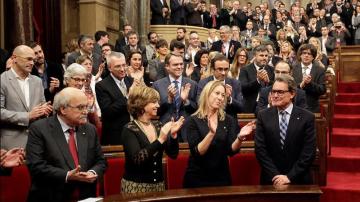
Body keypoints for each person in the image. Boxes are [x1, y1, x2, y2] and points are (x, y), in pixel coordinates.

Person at [26, 87, 107, 202]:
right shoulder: (39, 129)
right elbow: (36, 166)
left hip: (85, 196)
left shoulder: (90, 129)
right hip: (51, 195)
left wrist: (92, 172)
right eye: (80, 107)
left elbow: (101, 161)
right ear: (63, 109)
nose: (85, 111)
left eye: (86, 107)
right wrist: (68, 175)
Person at [183, 80, 255, 188]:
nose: (220, 98)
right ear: (207, 94)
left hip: (221, 177)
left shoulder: (228, 120)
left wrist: (239, 138)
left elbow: (231, 151)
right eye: (217, 93)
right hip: (197, 178)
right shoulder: (193, 120)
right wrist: (211, 133)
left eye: (223, 95)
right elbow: (198, 152)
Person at [121, 86, 184, 193]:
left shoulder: (158, 125)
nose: (158, 105)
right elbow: (137, 159)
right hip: (135, 188)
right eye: (154, 102)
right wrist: (160, 140)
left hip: (158, 186)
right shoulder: (129, 129)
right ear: (141, 104)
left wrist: (173, 136)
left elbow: (173, 155)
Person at [255, 74, 316, 185]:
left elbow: (308, 152)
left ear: (292, 94)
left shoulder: (307, 117)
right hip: (271, 180)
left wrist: (290, 177)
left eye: (280, 92)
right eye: (273, 92)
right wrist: (275, 176)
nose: (275, 95)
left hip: (299, 180)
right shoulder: (263, 116)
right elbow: (260, 150)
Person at [1, 45, 52, 150]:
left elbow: (42, 104)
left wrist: (45, 110)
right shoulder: (2, 80)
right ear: (14, 58)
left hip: (37, 141)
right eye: (28, 59)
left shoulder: (37, 81)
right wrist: (27, 116)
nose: (32, 63)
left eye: (33, 60)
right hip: (12, 143)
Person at [152, 53, 198, 142]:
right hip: (166, 129)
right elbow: (156, 111)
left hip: (187, 129)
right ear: (167, 66)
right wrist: (168, 99)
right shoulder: (157, 85)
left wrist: (186, 101)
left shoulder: (192, 84)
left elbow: (196, 109)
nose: (179, 67)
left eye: (181, 64)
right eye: (175, 64)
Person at [95, 52, 135, 145]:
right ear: (109, 68)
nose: (122, 69)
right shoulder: (101, 86)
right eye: (118, 66)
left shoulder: (131, 81)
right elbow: (108, 111)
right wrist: (128, 96)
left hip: (134, 132)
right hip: (115, 135)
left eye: (124, 65)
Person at [197, 54, 244, 118]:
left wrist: (229, 99)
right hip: (208, 120)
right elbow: (199, 103)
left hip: (229, 123)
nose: (223, 73)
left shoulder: (235, 83)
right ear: (212, 69)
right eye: (220, 69)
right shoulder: (204, 83)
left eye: (226, 69)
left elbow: (241, 107)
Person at [239, 45, 274, 113]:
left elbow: (275, 87)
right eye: (261, 55)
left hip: (268, 106)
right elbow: (243, 88)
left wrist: (268, 82)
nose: (264, 58)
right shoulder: (245, 70)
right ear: (254, 56)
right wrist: (258, 81)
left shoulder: (271, 70)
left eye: (266, 56)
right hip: (250, 107)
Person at [292, 44, 326, 113]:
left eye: (309, 54)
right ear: (300, 55)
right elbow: (289, 87)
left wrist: (310, 84)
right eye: (304, 53)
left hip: (312, 107)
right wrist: (300, 85)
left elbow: (322, 90)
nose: (306, 55)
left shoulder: (320, 70)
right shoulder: (293, 69)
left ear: (313, 57)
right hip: (294, 106)